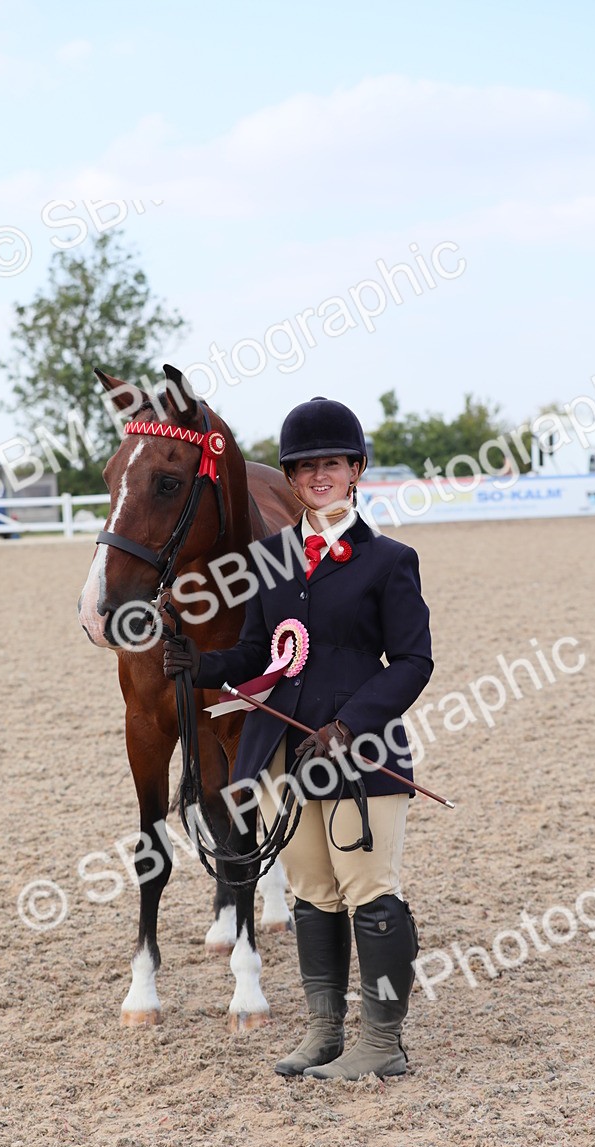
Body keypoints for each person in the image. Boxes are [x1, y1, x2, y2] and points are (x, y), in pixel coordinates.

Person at [163, 397, 433, 1080]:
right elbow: (258, 652)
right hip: (289, 755)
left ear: (356, 470)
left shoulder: (390, 561)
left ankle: (382, 1041)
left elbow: (413, 662)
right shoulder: (273, 559)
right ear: (290, 477)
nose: (319, 476)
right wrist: (200, 662)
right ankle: (324, 1031)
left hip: (360, 755)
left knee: (370, 888)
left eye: (332, 464)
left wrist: (350, 725)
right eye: (306, 466)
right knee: (314, 891)